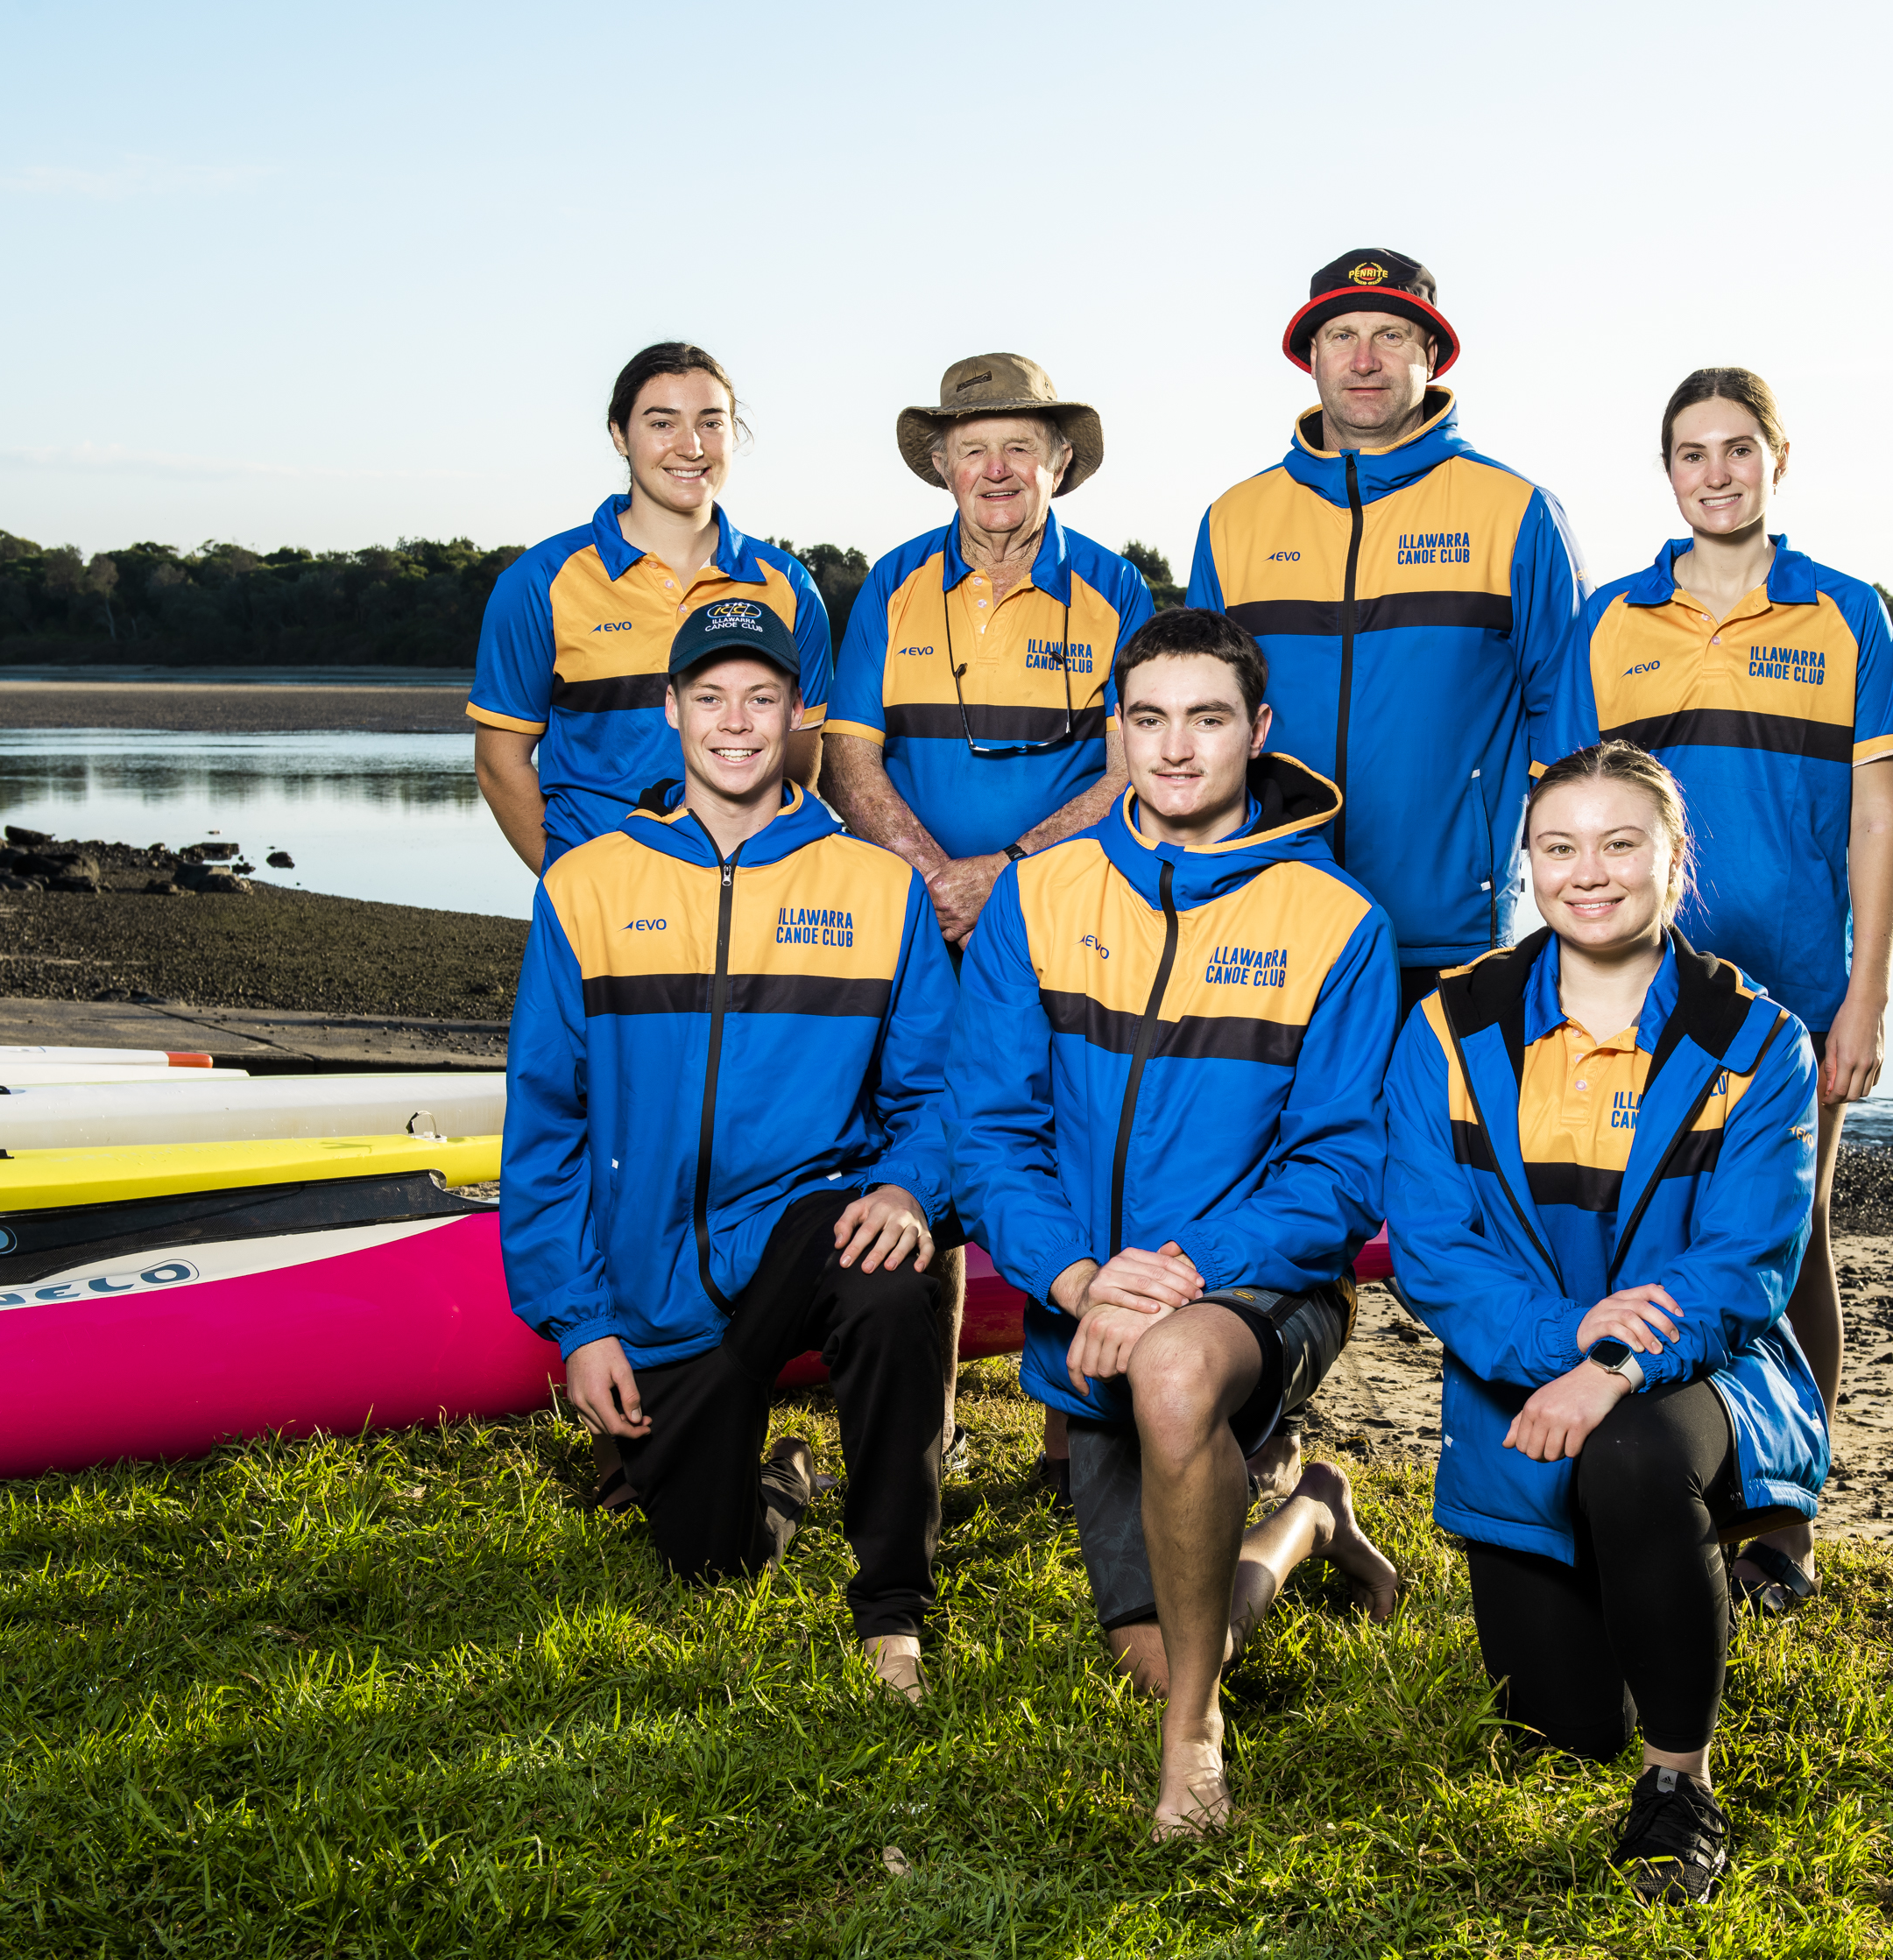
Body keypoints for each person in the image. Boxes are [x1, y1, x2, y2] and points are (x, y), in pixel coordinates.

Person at [947, 605, 1402, 1837]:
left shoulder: (1339, 922)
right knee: (1148, 1640)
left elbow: (1342, 1171)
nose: (1177, 749)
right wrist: (1082, 1277)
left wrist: (1183, 1271)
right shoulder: (1037, 899)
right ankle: (1307, 1517)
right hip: (1088, 1303)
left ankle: (1191, 1746)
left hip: (1259, 1288)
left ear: (1258, 731)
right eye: (1148, 720)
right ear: (1117, 733)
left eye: (1207, 719)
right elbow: (989, 1132)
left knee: (1178, 1366)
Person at [1381, 741, 1826, 1905]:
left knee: (1631, 1456)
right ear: (1525, 861)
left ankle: (1681, 1789)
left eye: (1623, 844)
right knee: (1559, 1725)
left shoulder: (1761, 1041)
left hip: (1694, 1379)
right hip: (1521, 1392)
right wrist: (1568, 1348)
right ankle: (1677, 1588)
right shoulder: (1449, 1026)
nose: (1591, 873)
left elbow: (1744, 1269)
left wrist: (1618, 1366)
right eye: (1560, 846)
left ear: (1677, 864)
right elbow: (1433, 1254)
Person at [502, 596, 957, 1700]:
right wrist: (582, 1322)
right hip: (660, 1279)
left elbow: (942, 1092)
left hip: (809, 1231)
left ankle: (891, 1607)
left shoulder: (875, 887)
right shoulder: (587, 887)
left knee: (892, 1277)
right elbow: (546, 1121)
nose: (737, 722)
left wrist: (905, 1186)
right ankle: (779, 1483)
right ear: (671, 711)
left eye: (763, 697)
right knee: (709, 1563)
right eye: (711, 697)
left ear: (801, 714)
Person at [1540, 366, 1893, 1615]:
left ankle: (1782, 1515)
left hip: (1798, 985)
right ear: (1670, 472)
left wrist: (1866, 996)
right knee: (1652, 1234)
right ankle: (1659, 1481)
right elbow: (1575, 816)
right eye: (1692, 453)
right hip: (1639, 988)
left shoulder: (1849, 615)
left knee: (1791, 1241)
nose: (1716, 472)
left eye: (1737, 449)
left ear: (1777, 460)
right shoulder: (1608, 620)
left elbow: (1874, 817)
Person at [823, 355, 1155, 1498]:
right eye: (975, 450)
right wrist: (935, 880)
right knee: (933, 1134)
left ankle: (1078, 1431)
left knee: (1070, 1148)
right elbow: (849, 759)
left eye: (1021, 446)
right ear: (943, 468)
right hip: (919, 924)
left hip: (1064, 920)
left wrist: (1004, 877)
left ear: (1059, 461)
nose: (997, 470)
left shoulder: (1118, 590)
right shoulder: (891, 586)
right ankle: (940, 1416)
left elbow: (1132, 773)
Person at [1190, 248, 1582, 1005]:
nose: (1365, 360)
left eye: (1392, 336)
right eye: (1342, 336)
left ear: (1431, 355)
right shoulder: (1234, 521)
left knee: (1436, 1126)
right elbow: (1201, 718)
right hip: (1266, 914)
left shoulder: (1517, 513)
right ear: (1310, 358)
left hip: (1449, 928)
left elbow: (1568, 725)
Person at [470, 342, 835, 871]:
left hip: (748, 894)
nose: (691, 447)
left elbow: (799, 762)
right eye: (662, 423)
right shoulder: (539, 582)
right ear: (619, 435)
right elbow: (499, 764)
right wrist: (570, 886)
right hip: (602, 895)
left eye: (711, 423)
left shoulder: (790, 587)